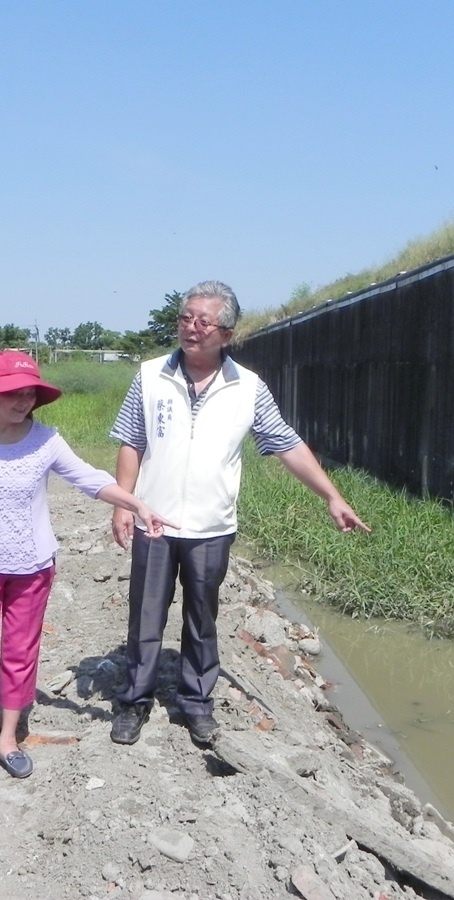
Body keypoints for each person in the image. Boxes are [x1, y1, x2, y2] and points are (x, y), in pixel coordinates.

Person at [108, 280, 371, 747]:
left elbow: (286, 444)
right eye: (185, 318)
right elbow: (133, 440)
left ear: (226, 333)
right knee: (146, 616)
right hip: (155, 521)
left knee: (202, 618)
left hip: (211, 527)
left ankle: (195, 703)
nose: (191, 328)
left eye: (203, 321)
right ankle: (134, 702)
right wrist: (124, 503)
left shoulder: (248, 388)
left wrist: (332, 495)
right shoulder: (150, 376)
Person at [0, 350, 172, 807]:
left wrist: (137, 504)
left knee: (19, 656)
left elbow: (90, 479)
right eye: (13, 393)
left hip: (32, 568)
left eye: (30, 393)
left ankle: (9, 741)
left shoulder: (45, 440)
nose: (23, 401)